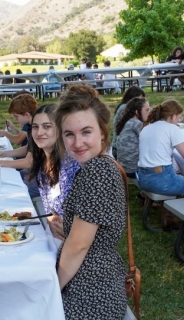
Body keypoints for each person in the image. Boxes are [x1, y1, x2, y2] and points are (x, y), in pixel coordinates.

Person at [54, 93, 127, 319]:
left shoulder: (97, 172)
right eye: (69, 134)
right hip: (99, 283)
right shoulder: (102, 165)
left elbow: (78, 246)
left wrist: (52, 290)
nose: (77, 142)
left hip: (88, 294)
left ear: (102, 132)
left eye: (86, 132)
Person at [137, 100, 184, 236]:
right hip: (160, 180)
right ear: (172, 116)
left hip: (143, 178)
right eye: (179, 117)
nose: (179, 121)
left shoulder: (147, 127)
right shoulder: (172, 128)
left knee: (178, 176)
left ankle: (169, 218)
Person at [26, 103, 80, 243]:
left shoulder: (73, 164)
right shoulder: (42, 165)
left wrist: (68, 230)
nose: (39, 133)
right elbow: (49, 209)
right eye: (35, 127)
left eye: (47, 126)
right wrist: (51, 222)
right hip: (56, 237)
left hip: (79, 242)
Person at [115, 97, 150, 178]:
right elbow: (151, 142)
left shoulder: (127, 121)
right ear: (137, 112)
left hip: (123, 167)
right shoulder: (137, 124)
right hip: (133, 169)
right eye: (147, 110)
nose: (149, 112)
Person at [111, 86, 145, 158]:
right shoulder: (125, 108)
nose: (141, 103)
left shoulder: (124, 107)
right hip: (120, 149)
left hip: (119, 146)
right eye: (138, 100)